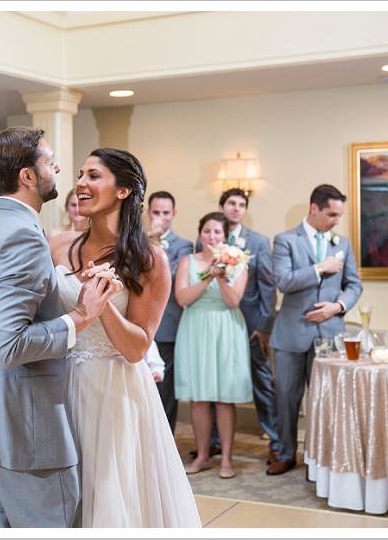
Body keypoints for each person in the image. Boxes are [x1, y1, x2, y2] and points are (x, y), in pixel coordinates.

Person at [0, 127, 118, 528]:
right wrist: (82, 316)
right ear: (28, 176)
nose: (59, 169)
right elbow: (10, 345)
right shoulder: (22, 235)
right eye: (50, 161)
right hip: (21, 430)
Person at [50, 148, 201, 527]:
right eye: (81, 174)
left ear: (123, 191)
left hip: (113, 392)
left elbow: (137, 348)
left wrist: (101, 303)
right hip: (58, 386)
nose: (81, 183)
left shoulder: (149, 259)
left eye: (94, 176)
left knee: (111, 493)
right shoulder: (57, 244)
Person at [267, 184, 362, 475]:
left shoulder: (342, 243)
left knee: (325, 399)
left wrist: (338, 307)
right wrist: (320, 268)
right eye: (332, 214)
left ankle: (316, 460)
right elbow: (282, 282)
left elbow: (354, 284)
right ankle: (285, 452)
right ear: (314, 209)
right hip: (291, 332)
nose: (336, 220)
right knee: (286, 398)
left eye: (339, 215)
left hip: (329, 333)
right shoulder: (285, 240)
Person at [198, 189, 279, 464]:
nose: (236, 208)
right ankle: (213, 443)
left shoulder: (256, 242)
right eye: (231, 203)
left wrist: (264, 324)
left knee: (262, 383)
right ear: (221, 206)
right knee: (212, 384)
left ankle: (276, 443)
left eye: (241, 204)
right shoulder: (208, 238)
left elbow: (267, 285)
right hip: (214, 325)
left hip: (250, 325)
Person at [175, 212, 252, 479]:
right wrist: (208, 276)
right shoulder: (188, 261)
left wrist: (221, 275)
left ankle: (227, 460)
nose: (211, 237)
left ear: (226, 236)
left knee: (223, 398)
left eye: (217, 232)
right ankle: (203, 456)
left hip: (226, 328)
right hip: (195, 328)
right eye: (206, 231)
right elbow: (182, 297)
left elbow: (233, 300)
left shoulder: (239, 263)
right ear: (200, 234)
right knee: (198, 398)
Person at [145, 190, 193, 434]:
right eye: (156, 212)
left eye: (166, 213)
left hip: (169, 326)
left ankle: (166, 444)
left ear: (173, 214)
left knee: (166, 392)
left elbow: (168, 280)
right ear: (148, 212)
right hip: (138, 323)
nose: (161, 218)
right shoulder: (137, 240)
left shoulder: (184, 245)